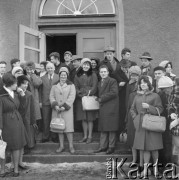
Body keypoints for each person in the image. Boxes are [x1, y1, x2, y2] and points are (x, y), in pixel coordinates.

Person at [130, 75, 163, 176]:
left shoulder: (155, 95)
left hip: (152, 124)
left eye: (145, 82)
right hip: (140, 125)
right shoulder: (137, 96)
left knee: (154, 148)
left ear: (149, 84)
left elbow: (160, 109)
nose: (143, 84)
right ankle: (146, 169)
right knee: (143, 148)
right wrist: (135, 119)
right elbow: (132, 109)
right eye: (141, 83)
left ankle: (156, 169)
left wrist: (150, 107)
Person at [0, 73, 27, 177]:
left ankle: (15, 169)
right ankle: (2, 170)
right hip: (6, 123)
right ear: (10, 84)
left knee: (17, 146)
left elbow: (22, 110)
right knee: (3, 147)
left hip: (17, 122)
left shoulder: (15, 94)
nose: (17, 85)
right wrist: (0, 128)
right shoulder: (1, 95)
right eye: (15, 83)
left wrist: (23, 96)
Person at [50, 67, 76, 154]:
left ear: (67, 75)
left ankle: (71, 146)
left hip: (67, 110)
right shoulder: (54, 85)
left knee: (68, 129)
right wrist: (55, 105)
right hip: (57, 110)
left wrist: (65, 106)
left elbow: (72, 96)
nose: (63, 77)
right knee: (59, 128)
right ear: (59, 75)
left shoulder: (71, 85)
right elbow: (51, 96)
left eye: (65, 75)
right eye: (62, 75)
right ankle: (61, 146)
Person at [94, 65, 119, 154]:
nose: (103, 73)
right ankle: (103, 146)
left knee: (111, 128)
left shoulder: (112, 81)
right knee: (103, 128)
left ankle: (111, 147)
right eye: (101, 72)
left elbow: (114, 93)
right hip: (104, 107)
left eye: (105, 72)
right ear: (99, 73)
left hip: (111, 107)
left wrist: (101, 98)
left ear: (108, 72)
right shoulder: (100, 82)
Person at [74, 58, 98, 144]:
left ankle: (90, 136)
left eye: (88, 65)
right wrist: (79, 94)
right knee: (83, 118)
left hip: (89, 98)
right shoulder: (77, 75)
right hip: (80, 99)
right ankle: (84, 136)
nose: (86, 66)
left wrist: (89, 93)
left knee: (90, 118)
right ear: (82, 65)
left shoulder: (93, 74)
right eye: (84, 64)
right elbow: (75, 86)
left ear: (90, 66)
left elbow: (95, 86)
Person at [157, 76, 176, 168]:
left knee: (164, 144)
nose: (171, 89)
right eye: (170, 87)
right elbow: (164, 110)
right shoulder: (164, 96)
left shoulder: (162, 95)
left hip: (163, 123)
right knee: (166, 144)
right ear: (165, 88)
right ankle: (166, 165)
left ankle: (163, 164)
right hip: (165, 123)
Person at [40, 62, 59, 142]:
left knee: (54, 119)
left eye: (51, 68)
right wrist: (40, 101)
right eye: (48, 68)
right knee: (45, 119)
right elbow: (40, 91)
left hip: (55, 101)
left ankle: (54, 136)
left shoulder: (58, 77)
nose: (50, 69)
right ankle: (45, 136)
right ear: (46, 69)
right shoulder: (42, 78)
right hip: (45, 101)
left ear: (54, 68)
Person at [125, 66, 141, 163]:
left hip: (140, 116)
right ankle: (134, 159)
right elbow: (127, 102)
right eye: (132, 74)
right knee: (132, 138)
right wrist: (126, 116)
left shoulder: (142, 85)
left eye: (135, 75)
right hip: (131, 115)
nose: (133, 77)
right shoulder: (129, 85)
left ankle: (141, 160)